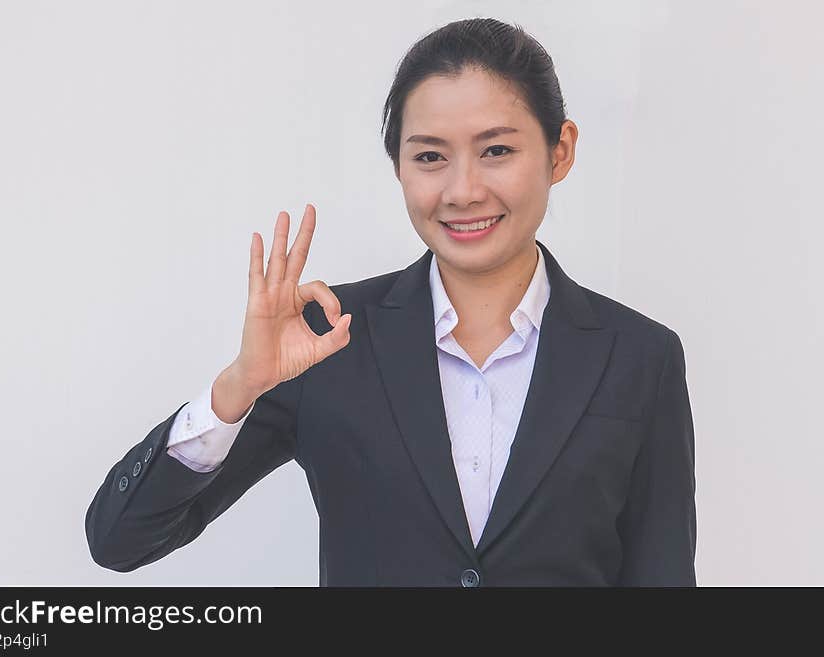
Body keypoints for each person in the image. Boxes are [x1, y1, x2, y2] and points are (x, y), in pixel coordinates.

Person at [85, 17, 696, 586]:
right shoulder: (326, 338)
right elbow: (122, 542)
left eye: (497, 151)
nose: (463, 190)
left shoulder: (641, 356)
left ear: (559, 151)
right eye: (430, 156)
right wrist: (239, 387)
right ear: (399, 166)